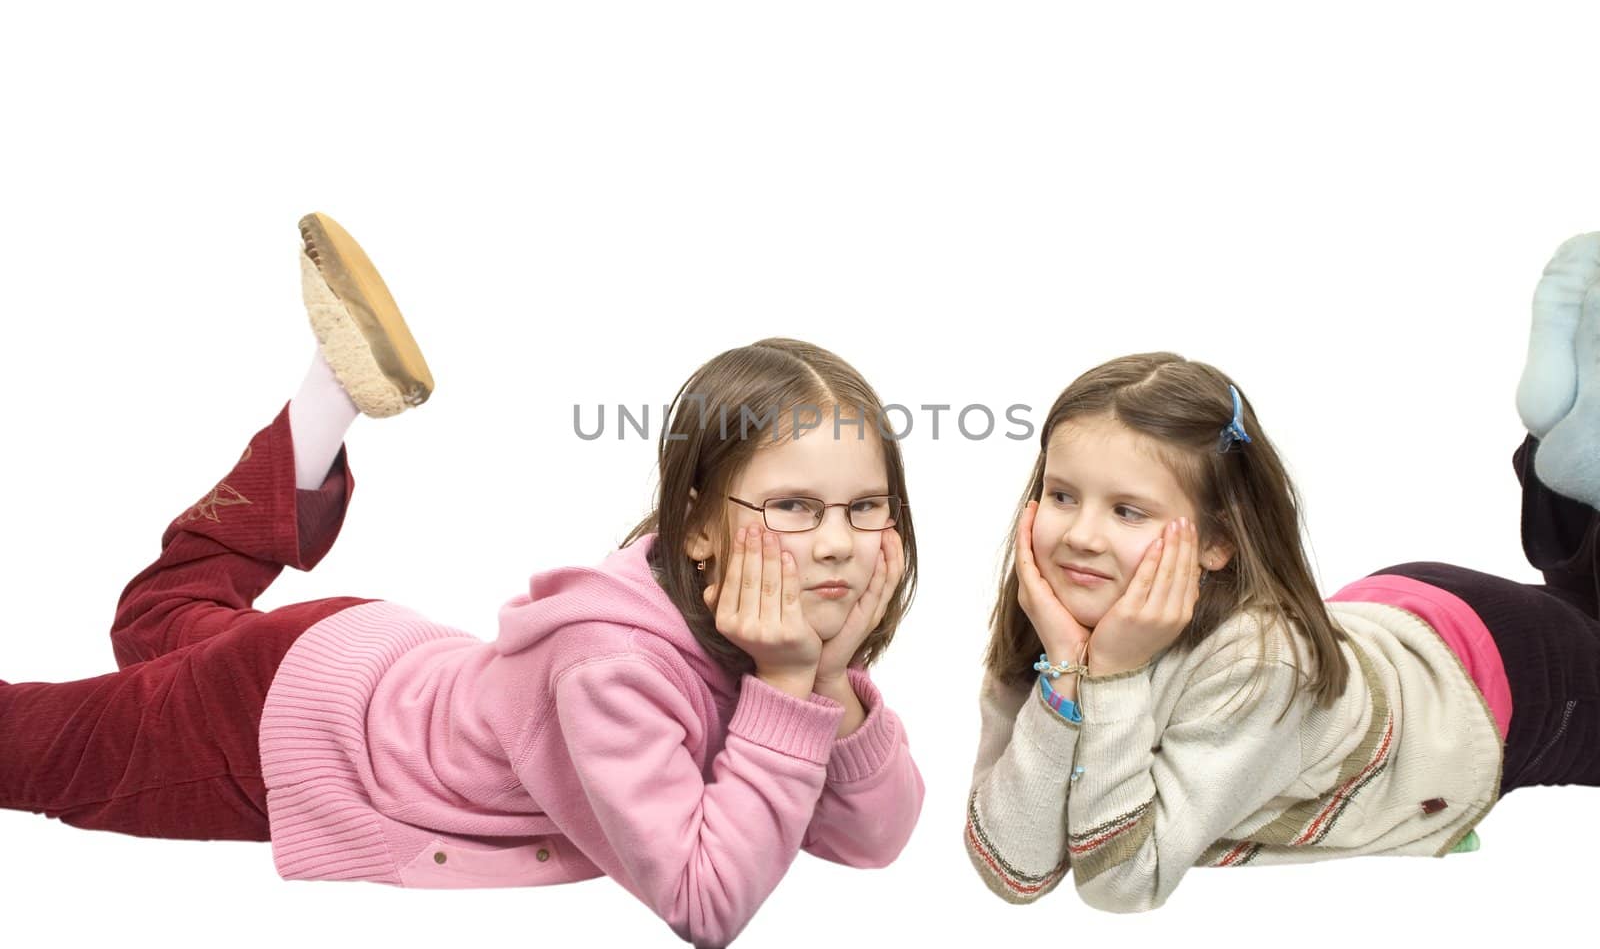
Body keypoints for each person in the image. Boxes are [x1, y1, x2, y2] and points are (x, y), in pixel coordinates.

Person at [0, 213, 924, 949]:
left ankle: (327, 400)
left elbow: (871, 839)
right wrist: (794, 689)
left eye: (865, 507)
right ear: (699, 529)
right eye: (796, 506)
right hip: (281, 722)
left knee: (158, 620)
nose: (839, 544)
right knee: (30, 750)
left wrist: (830, 684)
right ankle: (322, 406)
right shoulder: (613, 668)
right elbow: (704, 902)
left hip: (358, 656)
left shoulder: (769, 638)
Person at [964, 233, 1600, 913]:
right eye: (1062, 495)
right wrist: (1063, 671)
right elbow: (1016, 870)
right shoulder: (1050, 632)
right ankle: (1566, 447)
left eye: (1127, 510)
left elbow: (1123, 883)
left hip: (1490, 677)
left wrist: (1114, 676)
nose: (1081, 535)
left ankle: (1567, 456)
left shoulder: (1258, 666)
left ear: (1217, 542)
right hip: (1409, 614)